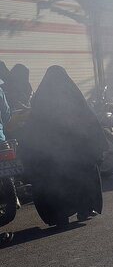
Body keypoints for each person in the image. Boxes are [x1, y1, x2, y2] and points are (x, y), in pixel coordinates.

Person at [19, 66, 105, 226]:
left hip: (50, 158)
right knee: (85, 174)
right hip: (76, 156)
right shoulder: (74, 96)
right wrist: (97, 148)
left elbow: (30, 132)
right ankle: (84, 210)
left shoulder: (41, 101)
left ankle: (59, 216)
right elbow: (91, 123)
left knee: (51, 182)